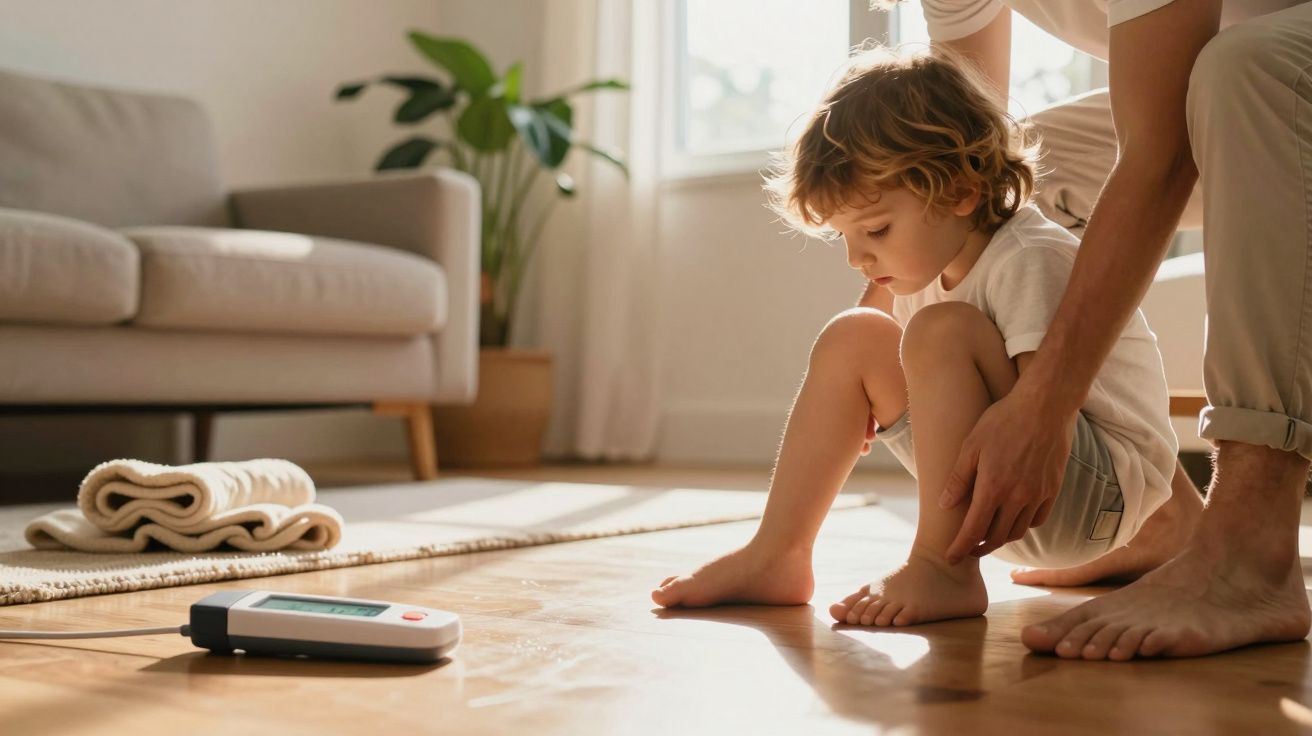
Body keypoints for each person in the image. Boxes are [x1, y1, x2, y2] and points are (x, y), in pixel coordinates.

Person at [650, 47, 1201, 627]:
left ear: (961, 192)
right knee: (854, 333)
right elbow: (872, 339)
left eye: (876, 230)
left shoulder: (1029, 257)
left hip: (1088, 491)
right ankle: (779, 553)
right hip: (1001, 495)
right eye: (844, 237)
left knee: (940, 331)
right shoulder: (923, 260)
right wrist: (853, 397)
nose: (857, 256)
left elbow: (1045, 412)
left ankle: (943, 568)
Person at [915, 0, 1312, 659]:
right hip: (1244, 104)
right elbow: (957, 162)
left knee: (1248, 65)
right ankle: (1155, 515)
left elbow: (1160, 155)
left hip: (1268, 79)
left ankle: (1250, 546)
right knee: (1012, 177)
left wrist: (1045, 402)